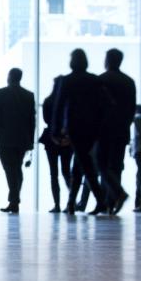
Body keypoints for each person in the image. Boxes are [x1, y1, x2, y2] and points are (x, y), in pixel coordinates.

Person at [51, 49, 106, 215]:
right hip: (92, 128)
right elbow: (103, 104)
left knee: (85, 164)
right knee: (80, 164)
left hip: (75, 127)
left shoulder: (66, 81)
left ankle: (102, 199)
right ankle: (72, 204)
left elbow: (59, 106)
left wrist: (55, 130)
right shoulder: (94, 80)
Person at [98, 48, 137, 215]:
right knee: (116, 165)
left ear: (107, 60)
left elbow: (96, 108)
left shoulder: (101, 80)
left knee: (102, 164)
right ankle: (112, 201)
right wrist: (125, 126)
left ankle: (114, 195)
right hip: (121, 130)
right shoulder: (129, 81)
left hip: (104, 130)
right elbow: (131, 109)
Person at [0, 67, 36, 214]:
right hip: (22, 139)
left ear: (9, 76)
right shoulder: (29, 95)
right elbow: (32, 121)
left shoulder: (0, 94)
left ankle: (14, 201)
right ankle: (13, 201)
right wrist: (30, 139)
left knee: (10, 170)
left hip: (4, 138)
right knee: (16, 169)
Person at [39, 75, 72, 213]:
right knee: (66, 172)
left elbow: (46, 119)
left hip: (51, 139)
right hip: (67, 139)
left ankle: (57, 204)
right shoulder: (69, 101)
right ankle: (71, 202)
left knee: (54, 174)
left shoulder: (48, 101)